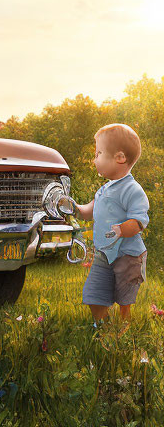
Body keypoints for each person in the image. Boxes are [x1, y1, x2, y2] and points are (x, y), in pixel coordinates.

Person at [72, 123, 149, 330]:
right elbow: (89, 211)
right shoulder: (104, 190)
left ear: (120, 158)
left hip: (128, 255)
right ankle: (104, 329)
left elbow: (139, 220)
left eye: (98, 153)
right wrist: (73, 208)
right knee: (94, 294)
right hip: (104, 254)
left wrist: (122, 229)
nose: (94, 159)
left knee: (124, 297)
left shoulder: (133, 190)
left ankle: (122, 331)